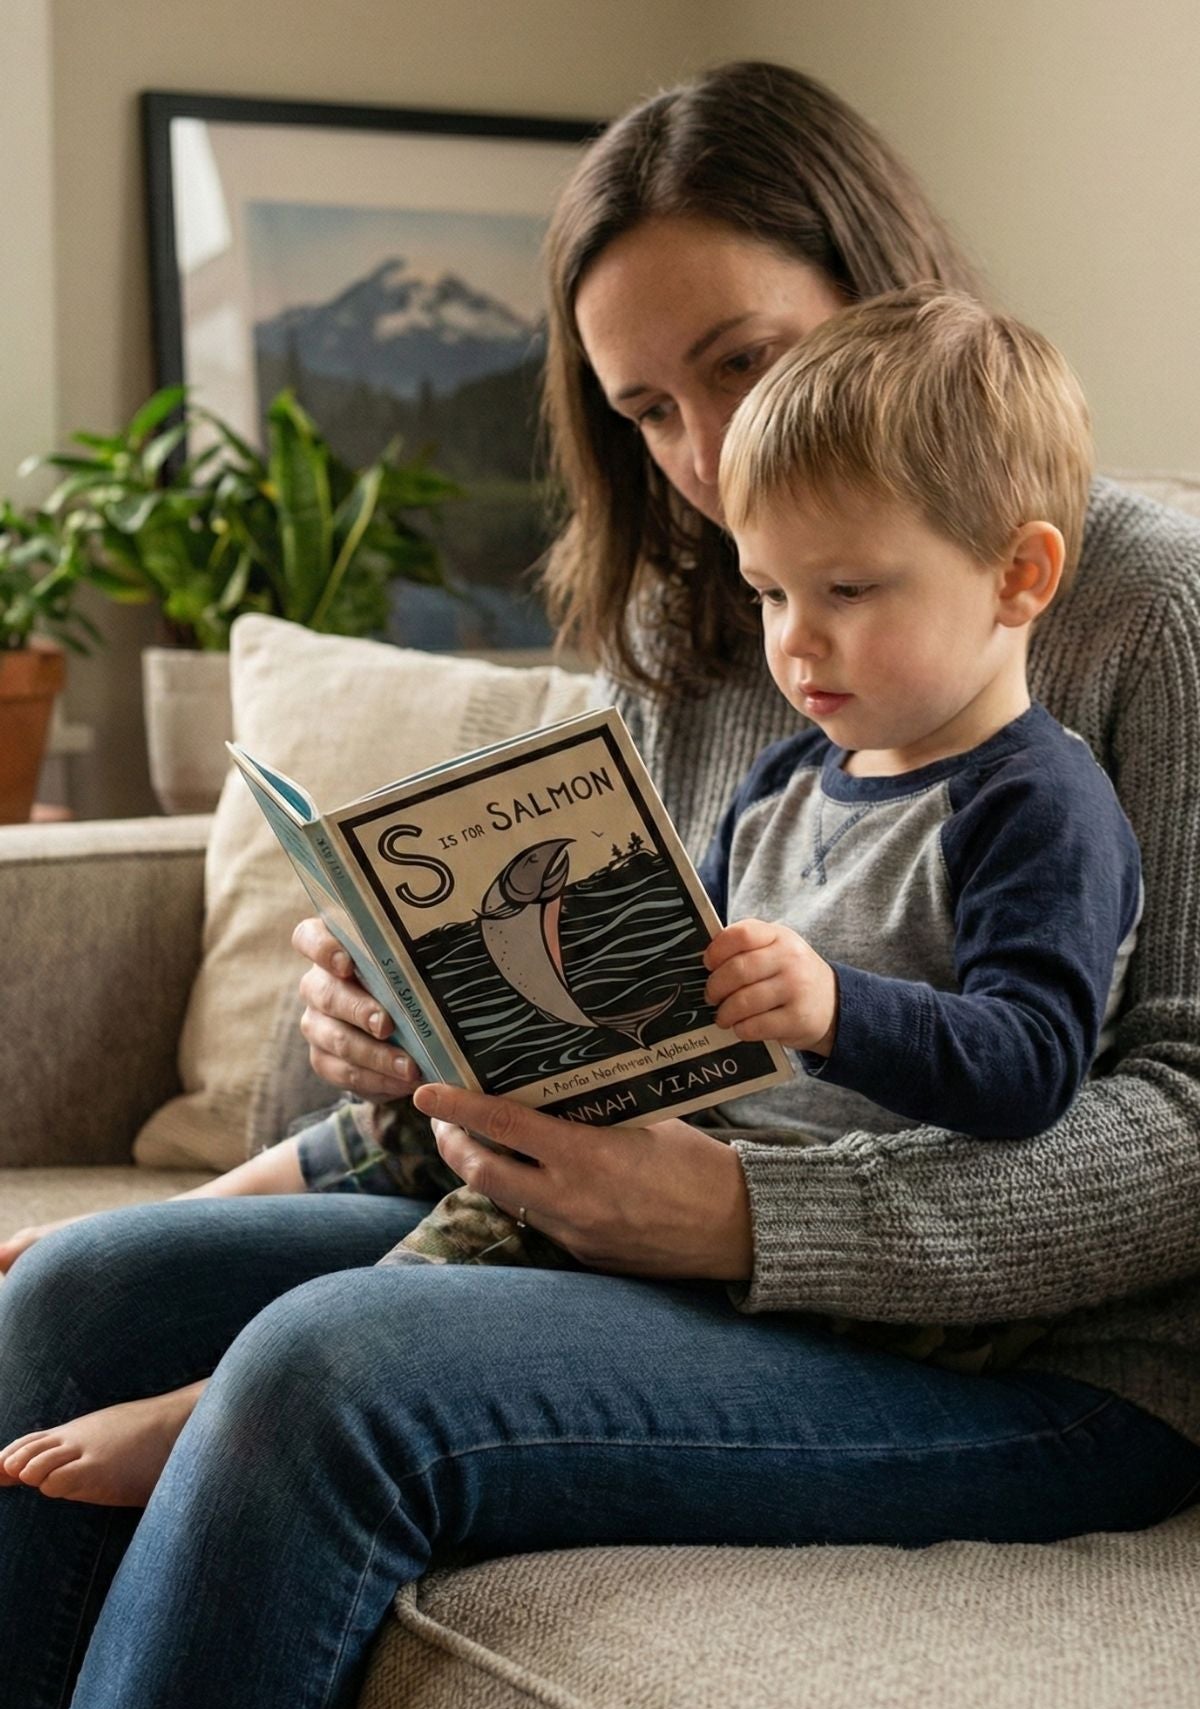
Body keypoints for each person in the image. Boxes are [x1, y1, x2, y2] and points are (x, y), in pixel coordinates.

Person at [2, 59, 1199, 1709]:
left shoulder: (1135, 606)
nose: (709, 463)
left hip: (1052, 1359)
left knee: (338, 1371)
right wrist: (396, 1052)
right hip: (716, 1262)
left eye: (744, 364)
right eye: (647, 409)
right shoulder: (701, 622)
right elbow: (628, 1042)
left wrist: (745, 1217)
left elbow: (1184, 1113)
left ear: (880, 299)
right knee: (93, 1296)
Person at [0, 284, 1148, 1490]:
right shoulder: (787, 777)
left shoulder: (1040, 804)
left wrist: (832, 1008)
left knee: (509, 1221)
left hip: (891, 1297)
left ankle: (208, 1418)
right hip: (729, 1176)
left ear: (1020, 575)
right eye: (770, 593)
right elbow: (677, 994)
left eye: (849, 592)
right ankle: (211, 1220)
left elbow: (1033, 1068)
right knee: (489, 1106)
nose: (795, 642)